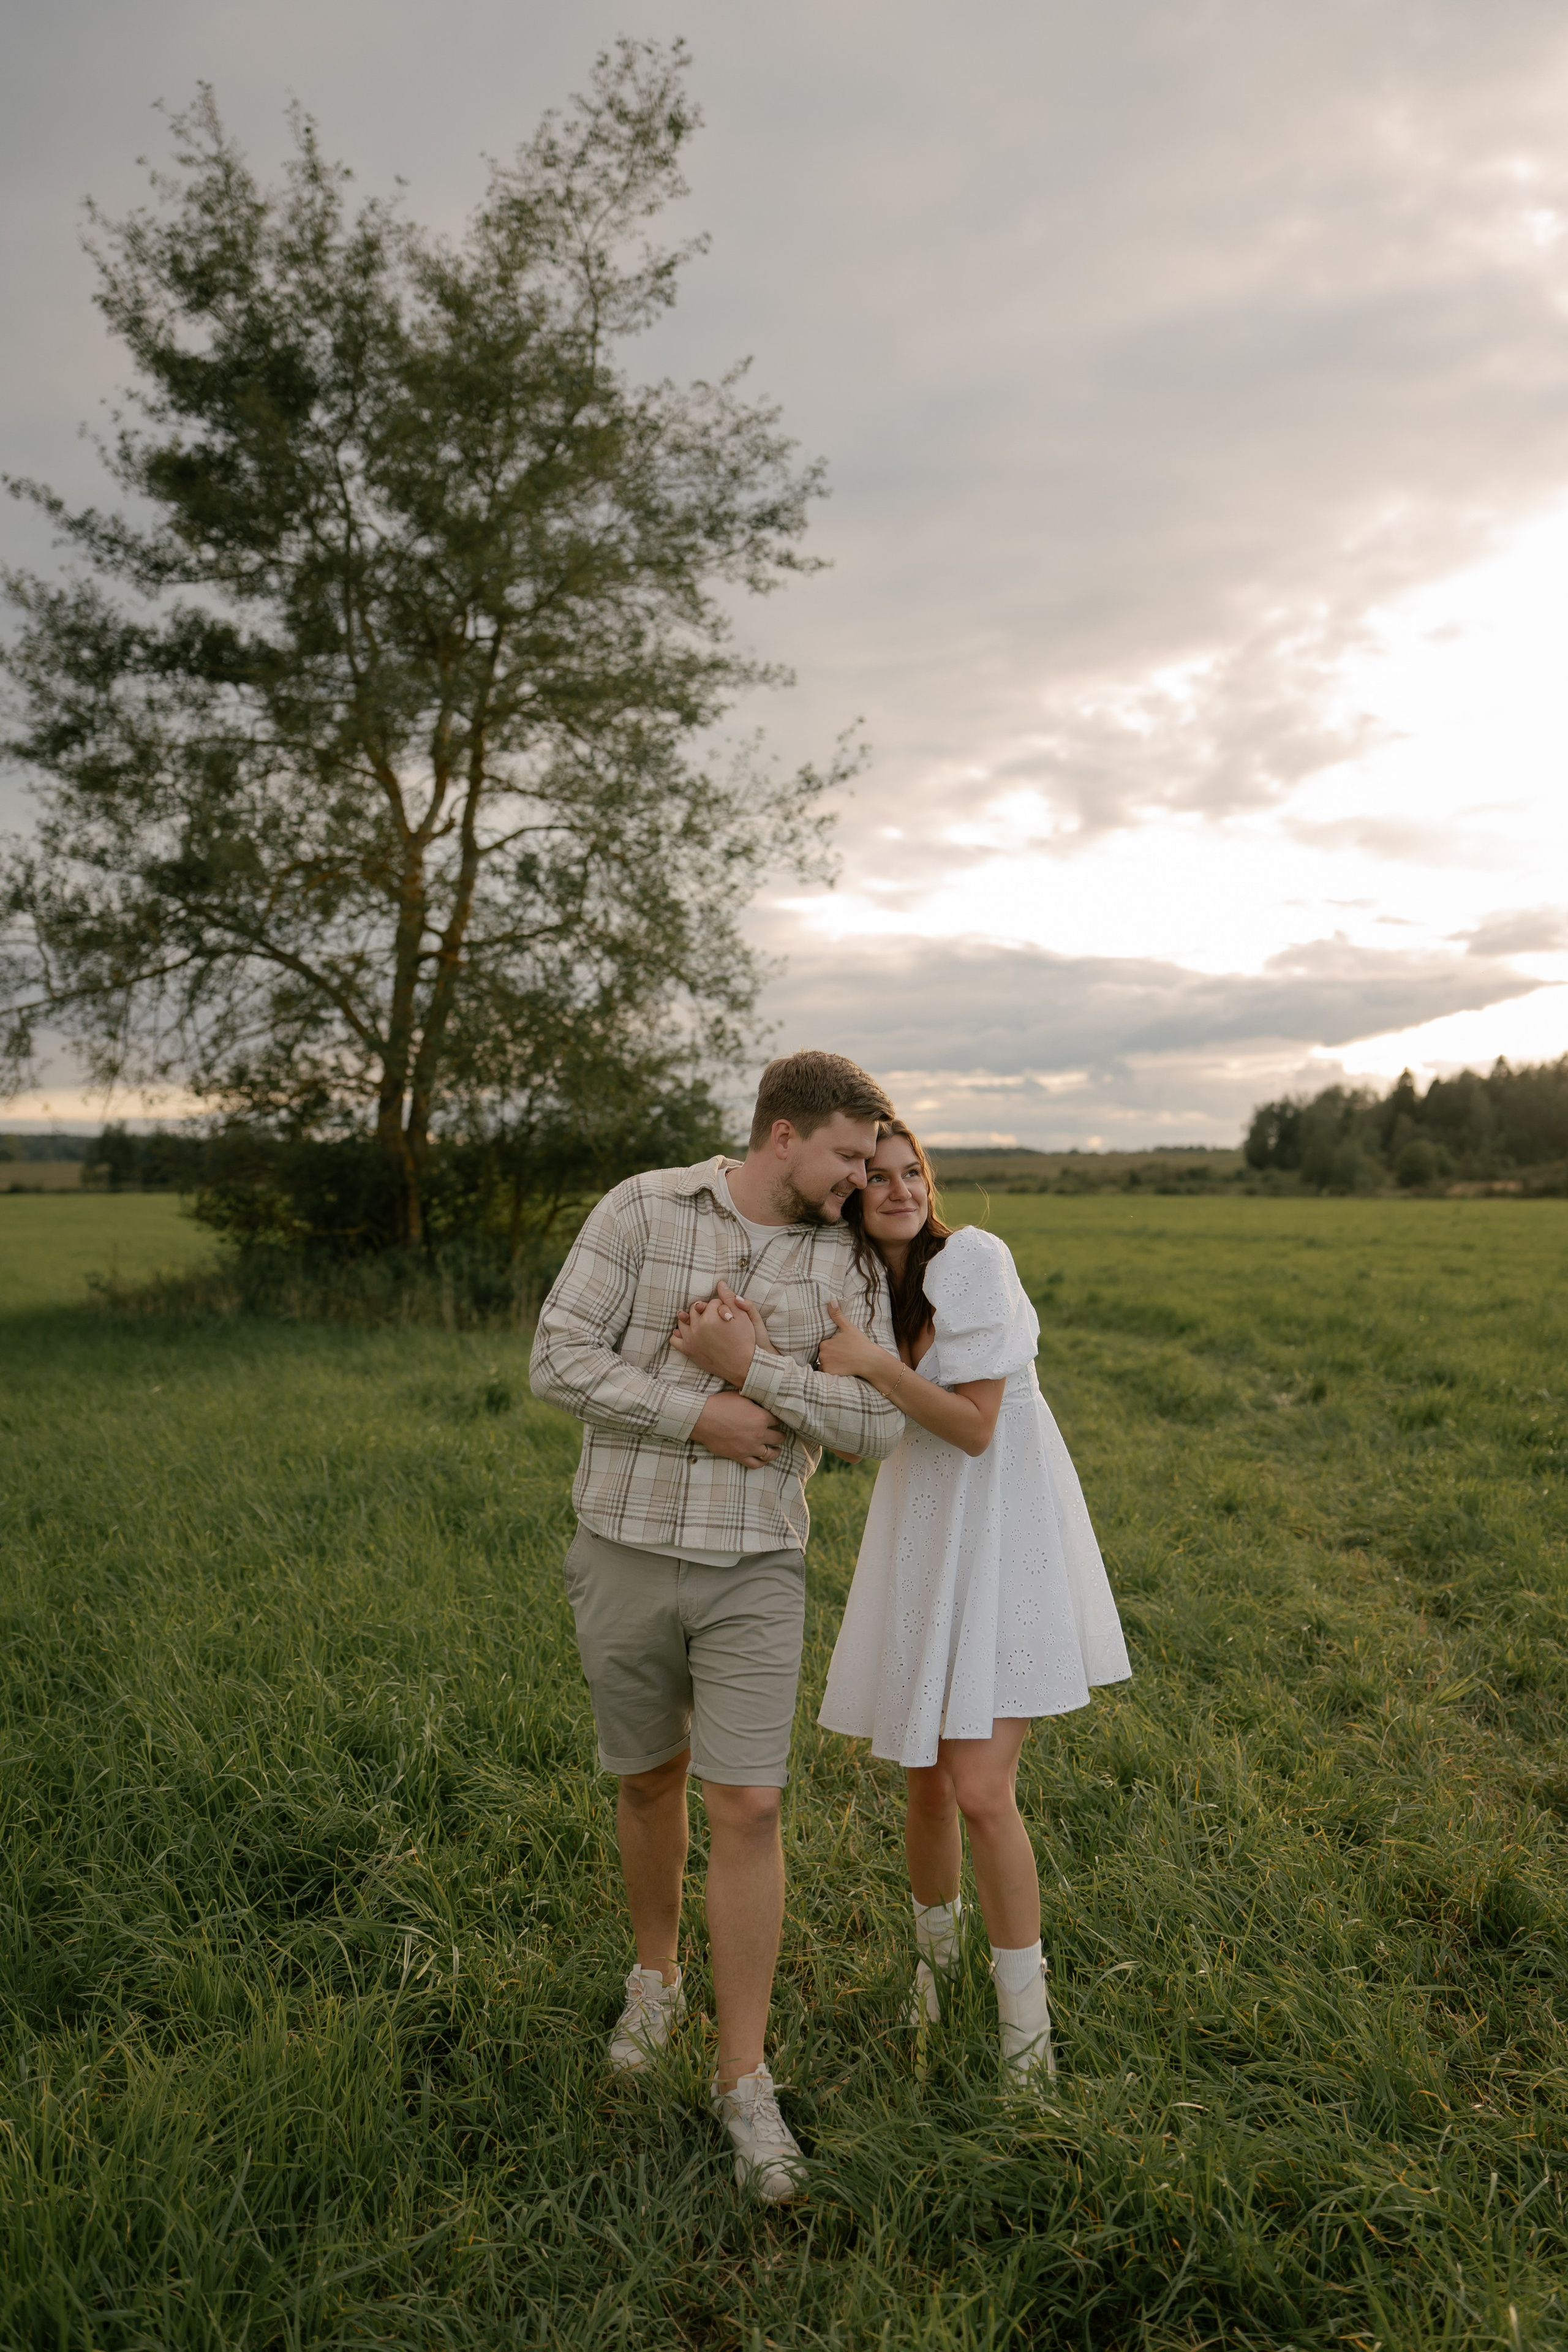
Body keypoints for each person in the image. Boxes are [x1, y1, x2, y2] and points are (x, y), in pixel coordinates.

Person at [529, 1050, 905, 2201]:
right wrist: (701, 1413)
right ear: (782, 1135)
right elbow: (557, 1357)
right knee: (649, 1779)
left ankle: (743, 2079)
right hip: (624, 1548)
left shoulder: (846, 1257)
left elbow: (877, 1424)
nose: (860, 1178)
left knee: (747, 1803)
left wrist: (757, 1373)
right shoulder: (643, 1207)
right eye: (847, 1155)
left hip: (755, 1567)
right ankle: (656, 1979)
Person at [813, 1121, 1131, 2086]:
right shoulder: (869, 1288)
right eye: (879, 1179)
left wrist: (872, 1365)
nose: (903, 1189)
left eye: (914, 1172)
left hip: (1001, 1531)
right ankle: (933, 1971)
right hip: (923, 1525)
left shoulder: (973, 1261)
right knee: (922, 1776)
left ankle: (1025, 2036)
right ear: (852, 1198)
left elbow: (978, 1428)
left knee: (983, 1789)